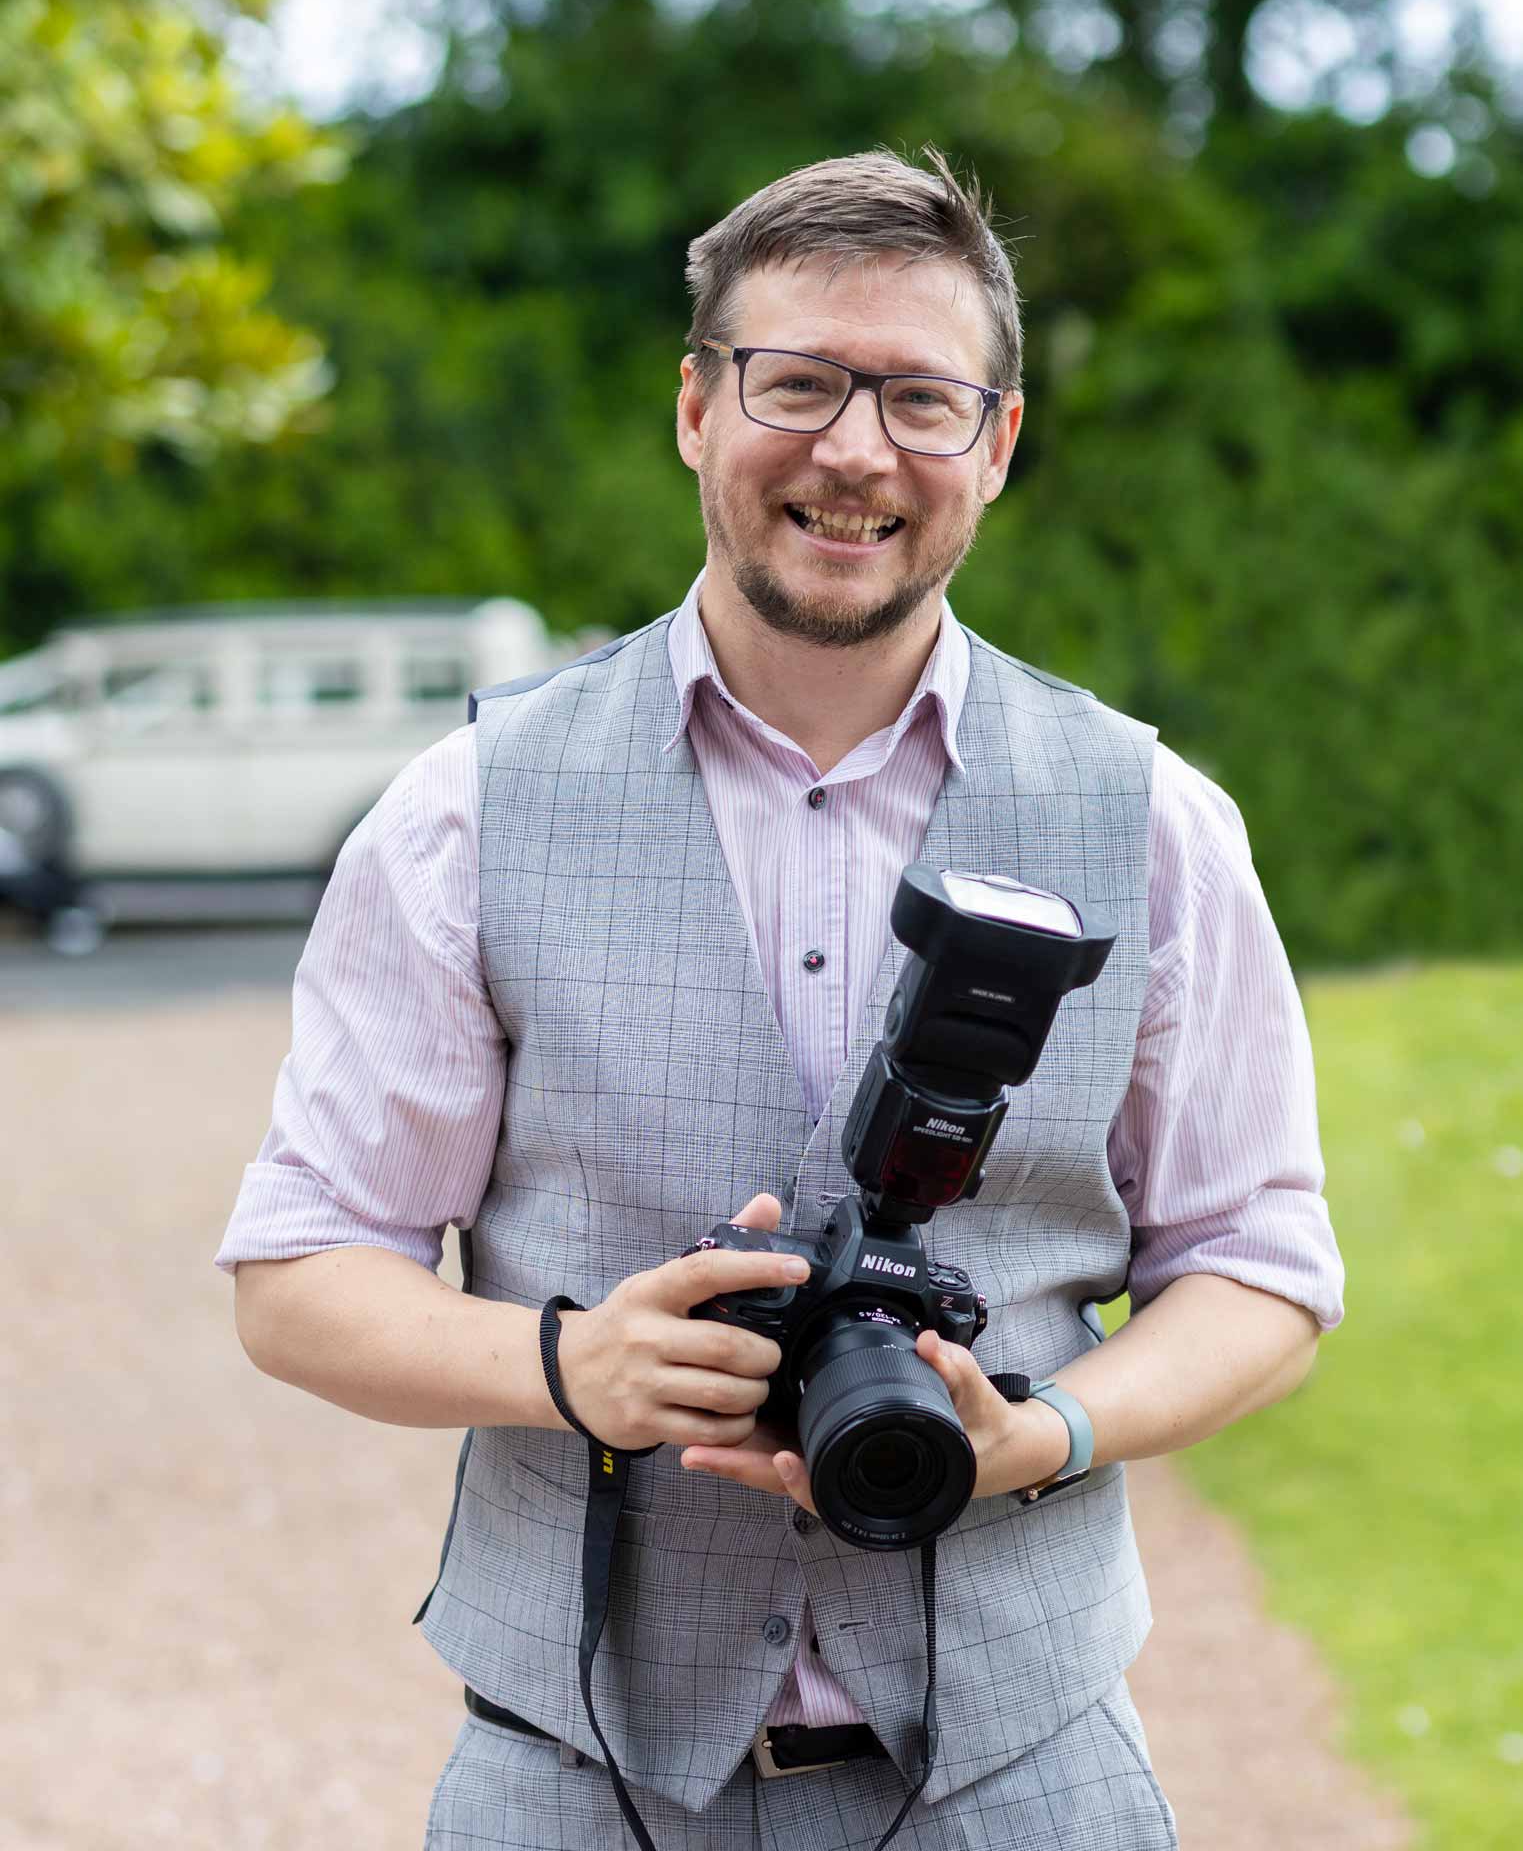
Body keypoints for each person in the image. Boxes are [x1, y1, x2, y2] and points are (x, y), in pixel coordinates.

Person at [221, 148, 1344, 1851]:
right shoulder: (466, 807)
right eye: (798, 382)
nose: (853, 450)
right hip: (575, 1770)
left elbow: (1261, 1264)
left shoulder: (1157, 822)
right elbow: (301, 1275)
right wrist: (568, 1360)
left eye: (920, 398)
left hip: (1021, 1776)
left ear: (1000, 442)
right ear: (695, 409)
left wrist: (1041, 1432)